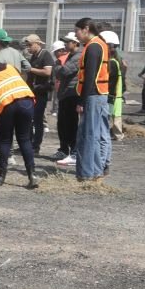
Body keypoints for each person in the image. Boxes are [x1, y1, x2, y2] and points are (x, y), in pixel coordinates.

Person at [0, 61, 38, 187]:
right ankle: (32, 175)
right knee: (25, 139)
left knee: (5, 140)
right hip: (27, 101)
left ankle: (1, 177)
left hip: (7, 105)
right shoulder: (10, 67)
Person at [73, 17, 110, 180]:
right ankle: (95, 172)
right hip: (98, 94)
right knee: (93, 134)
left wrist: (81, 101)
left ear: (86, 29)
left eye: (77, 31)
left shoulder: (94, 47)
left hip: (93, 95)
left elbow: (90, 77)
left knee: (87, 135)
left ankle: (87, 173)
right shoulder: (98, 44)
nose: (76, 35)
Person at [23, 34, 55, 154]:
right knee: (30, 119)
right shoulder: (34, 56)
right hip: (33, 92)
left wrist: (30, 69)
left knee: (37, 120)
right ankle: (29, 144)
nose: (28, 48)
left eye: (30, 45)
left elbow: (47, 72)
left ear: (38, 44)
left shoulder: (45, 55)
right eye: (27, 45)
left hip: (41, 92)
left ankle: (35, 146)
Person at [54, 33, 81, 166]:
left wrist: (57, 66)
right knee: (65, 125)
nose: (65, 45)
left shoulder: (78, 56)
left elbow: (63, 72)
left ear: (75, 43)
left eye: (68, 42)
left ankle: (75, 153)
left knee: (71, 125)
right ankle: (70, 151)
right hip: (67, 93)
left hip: (72, 94)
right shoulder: (71, 56)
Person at [102, 31, 125, 142]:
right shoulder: (115, 61)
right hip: (115, 93)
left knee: (115, 116)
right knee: (115, 115)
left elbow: (111, 82)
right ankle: (116, 134)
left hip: (113, 94)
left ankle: (118, 134)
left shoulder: (112, 63)